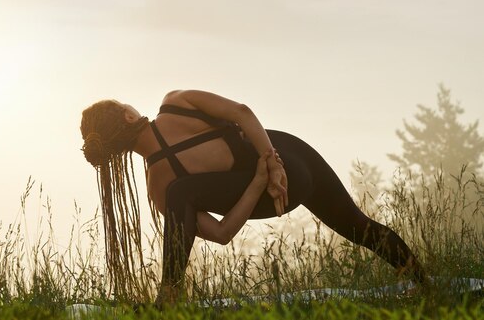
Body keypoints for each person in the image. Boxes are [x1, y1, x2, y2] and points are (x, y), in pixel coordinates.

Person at [80, 90, 426, 303]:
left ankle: (168, 294)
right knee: (358, 225)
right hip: (289, 164)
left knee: (355, 224)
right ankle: (426, 283)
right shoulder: (176, 104)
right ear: (128, 115)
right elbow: (241, 112)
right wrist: (268, 172)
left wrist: (269, 173)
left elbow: (222, 233)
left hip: (277, 171)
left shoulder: (160, 190)